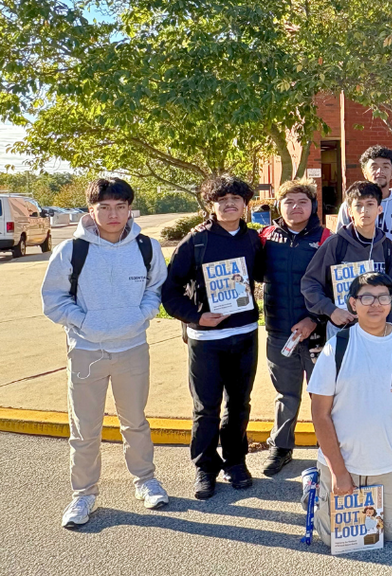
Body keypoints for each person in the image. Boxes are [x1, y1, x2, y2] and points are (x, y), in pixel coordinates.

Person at [41, 178, 169, 528]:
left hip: (132, 348)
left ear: (130, 209)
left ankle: (145, 481)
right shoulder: (71, 251)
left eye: (120, 206)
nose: (113, 214)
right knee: (84, 429)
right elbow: (53, 300)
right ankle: (83, 495)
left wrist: (140, 315)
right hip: (86, 352)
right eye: (104, 207)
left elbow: (157, 287)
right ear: (91, 210)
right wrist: (84, 322)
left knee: (135, 421)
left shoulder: (146, 247)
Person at [307, 272, 392, 543]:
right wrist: (339, 473)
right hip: (345, 461)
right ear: (353, 303)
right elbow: (320, 413)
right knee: (334, 539)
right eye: (366, 297)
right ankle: (316, 485)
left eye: (383, 297)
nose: (375, 304)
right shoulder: (336, 347)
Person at [162, 175, 266, 500]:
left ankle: (235, 462)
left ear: (245, 204)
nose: (230, 204)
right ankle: (205, 466)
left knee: (239, 404)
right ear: (211, 204)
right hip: (205, 340)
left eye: (236, 198)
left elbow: (263, 275)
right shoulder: (195, 242)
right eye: (222, 200)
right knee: (206, 407)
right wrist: (197, 317)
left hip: (245, 334)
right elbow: (169, 291)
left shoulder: (252, 240)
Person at [257, 178, 332, 476]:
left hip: (317, 331)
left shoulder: (327, 238)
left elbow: (334, 286)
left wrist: (314, 318)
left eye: (302, 201)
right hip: (278, 331)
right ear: (279, 205)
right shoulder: (265, 237)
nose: (295, 207)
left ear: (312, 205)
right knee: (285, 394)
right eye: (288, 202)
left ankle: (328, 448)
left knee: (322, 394)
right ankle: (281, 447)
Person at [302, 181, 392, 341]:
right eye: (358, 205)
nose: (364, 210)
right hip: (342, 329)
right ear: (350, 211)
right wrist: (331, 310)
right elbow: (310, 283)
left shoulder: (389, 248)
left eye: (370, 204)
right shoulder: (335, 244)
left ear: (379, 209)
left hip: (380, 331)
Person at [336, 145, 392, 240]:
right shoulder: (351, 205)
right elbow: (340, 242)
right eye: (374, 167)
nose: (380, 171)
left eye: (385, 167)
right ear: (364, 172)